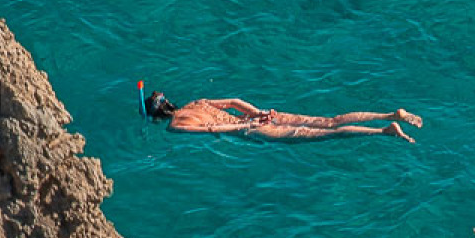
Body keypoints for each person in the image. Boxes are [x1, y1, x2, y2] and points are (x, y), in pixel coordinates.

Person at [143, 90, 421, 143]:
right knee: (331, 120)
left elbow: (212, 129)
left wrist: (249, 123)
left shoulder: (175, 127)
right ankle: (389, 113)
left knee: (329, 134)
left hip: (252, 129)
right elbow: (234, 101)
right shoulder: (197, 101)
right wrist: (258, 112)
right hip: (266, 115)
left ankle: (385, 131)